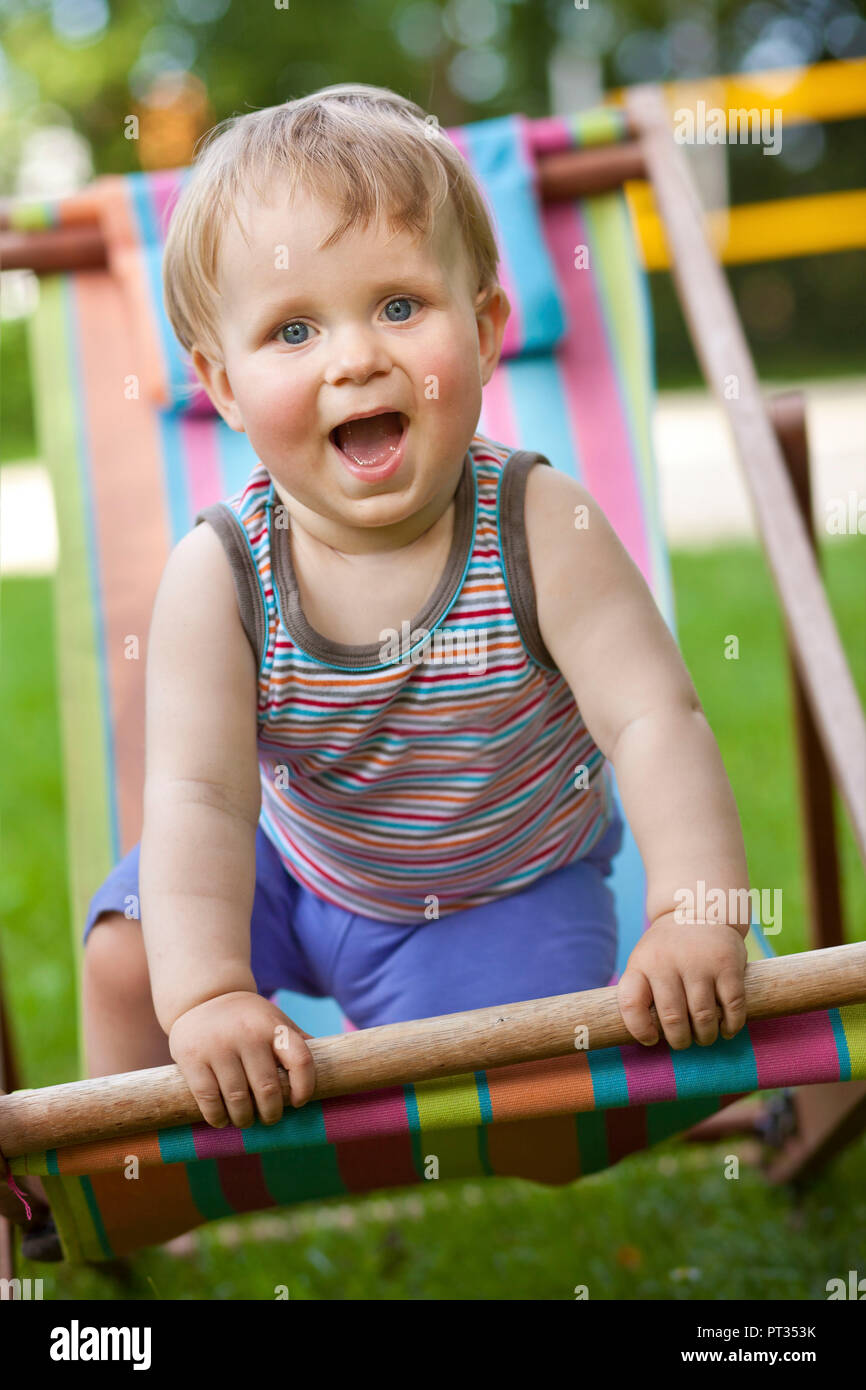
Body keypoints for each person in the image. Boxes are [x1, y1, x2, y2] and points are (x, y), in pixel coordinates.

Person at [81, 83, 750, 1136]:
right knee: (127, 955)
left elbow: (653, 720)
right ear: (220, 382)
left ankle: (677, 1114)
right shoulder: (221, 574)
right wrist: (206, 993)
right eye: (292, 329)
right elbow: (200, 802)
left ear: (484, 329)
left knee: (534, 1113)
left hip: (497, 899)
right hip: (296, 876)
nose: (355, 358)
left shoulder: (537, 525)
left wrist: (688, 913)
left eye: (398, 306)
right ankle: (123, 1175)